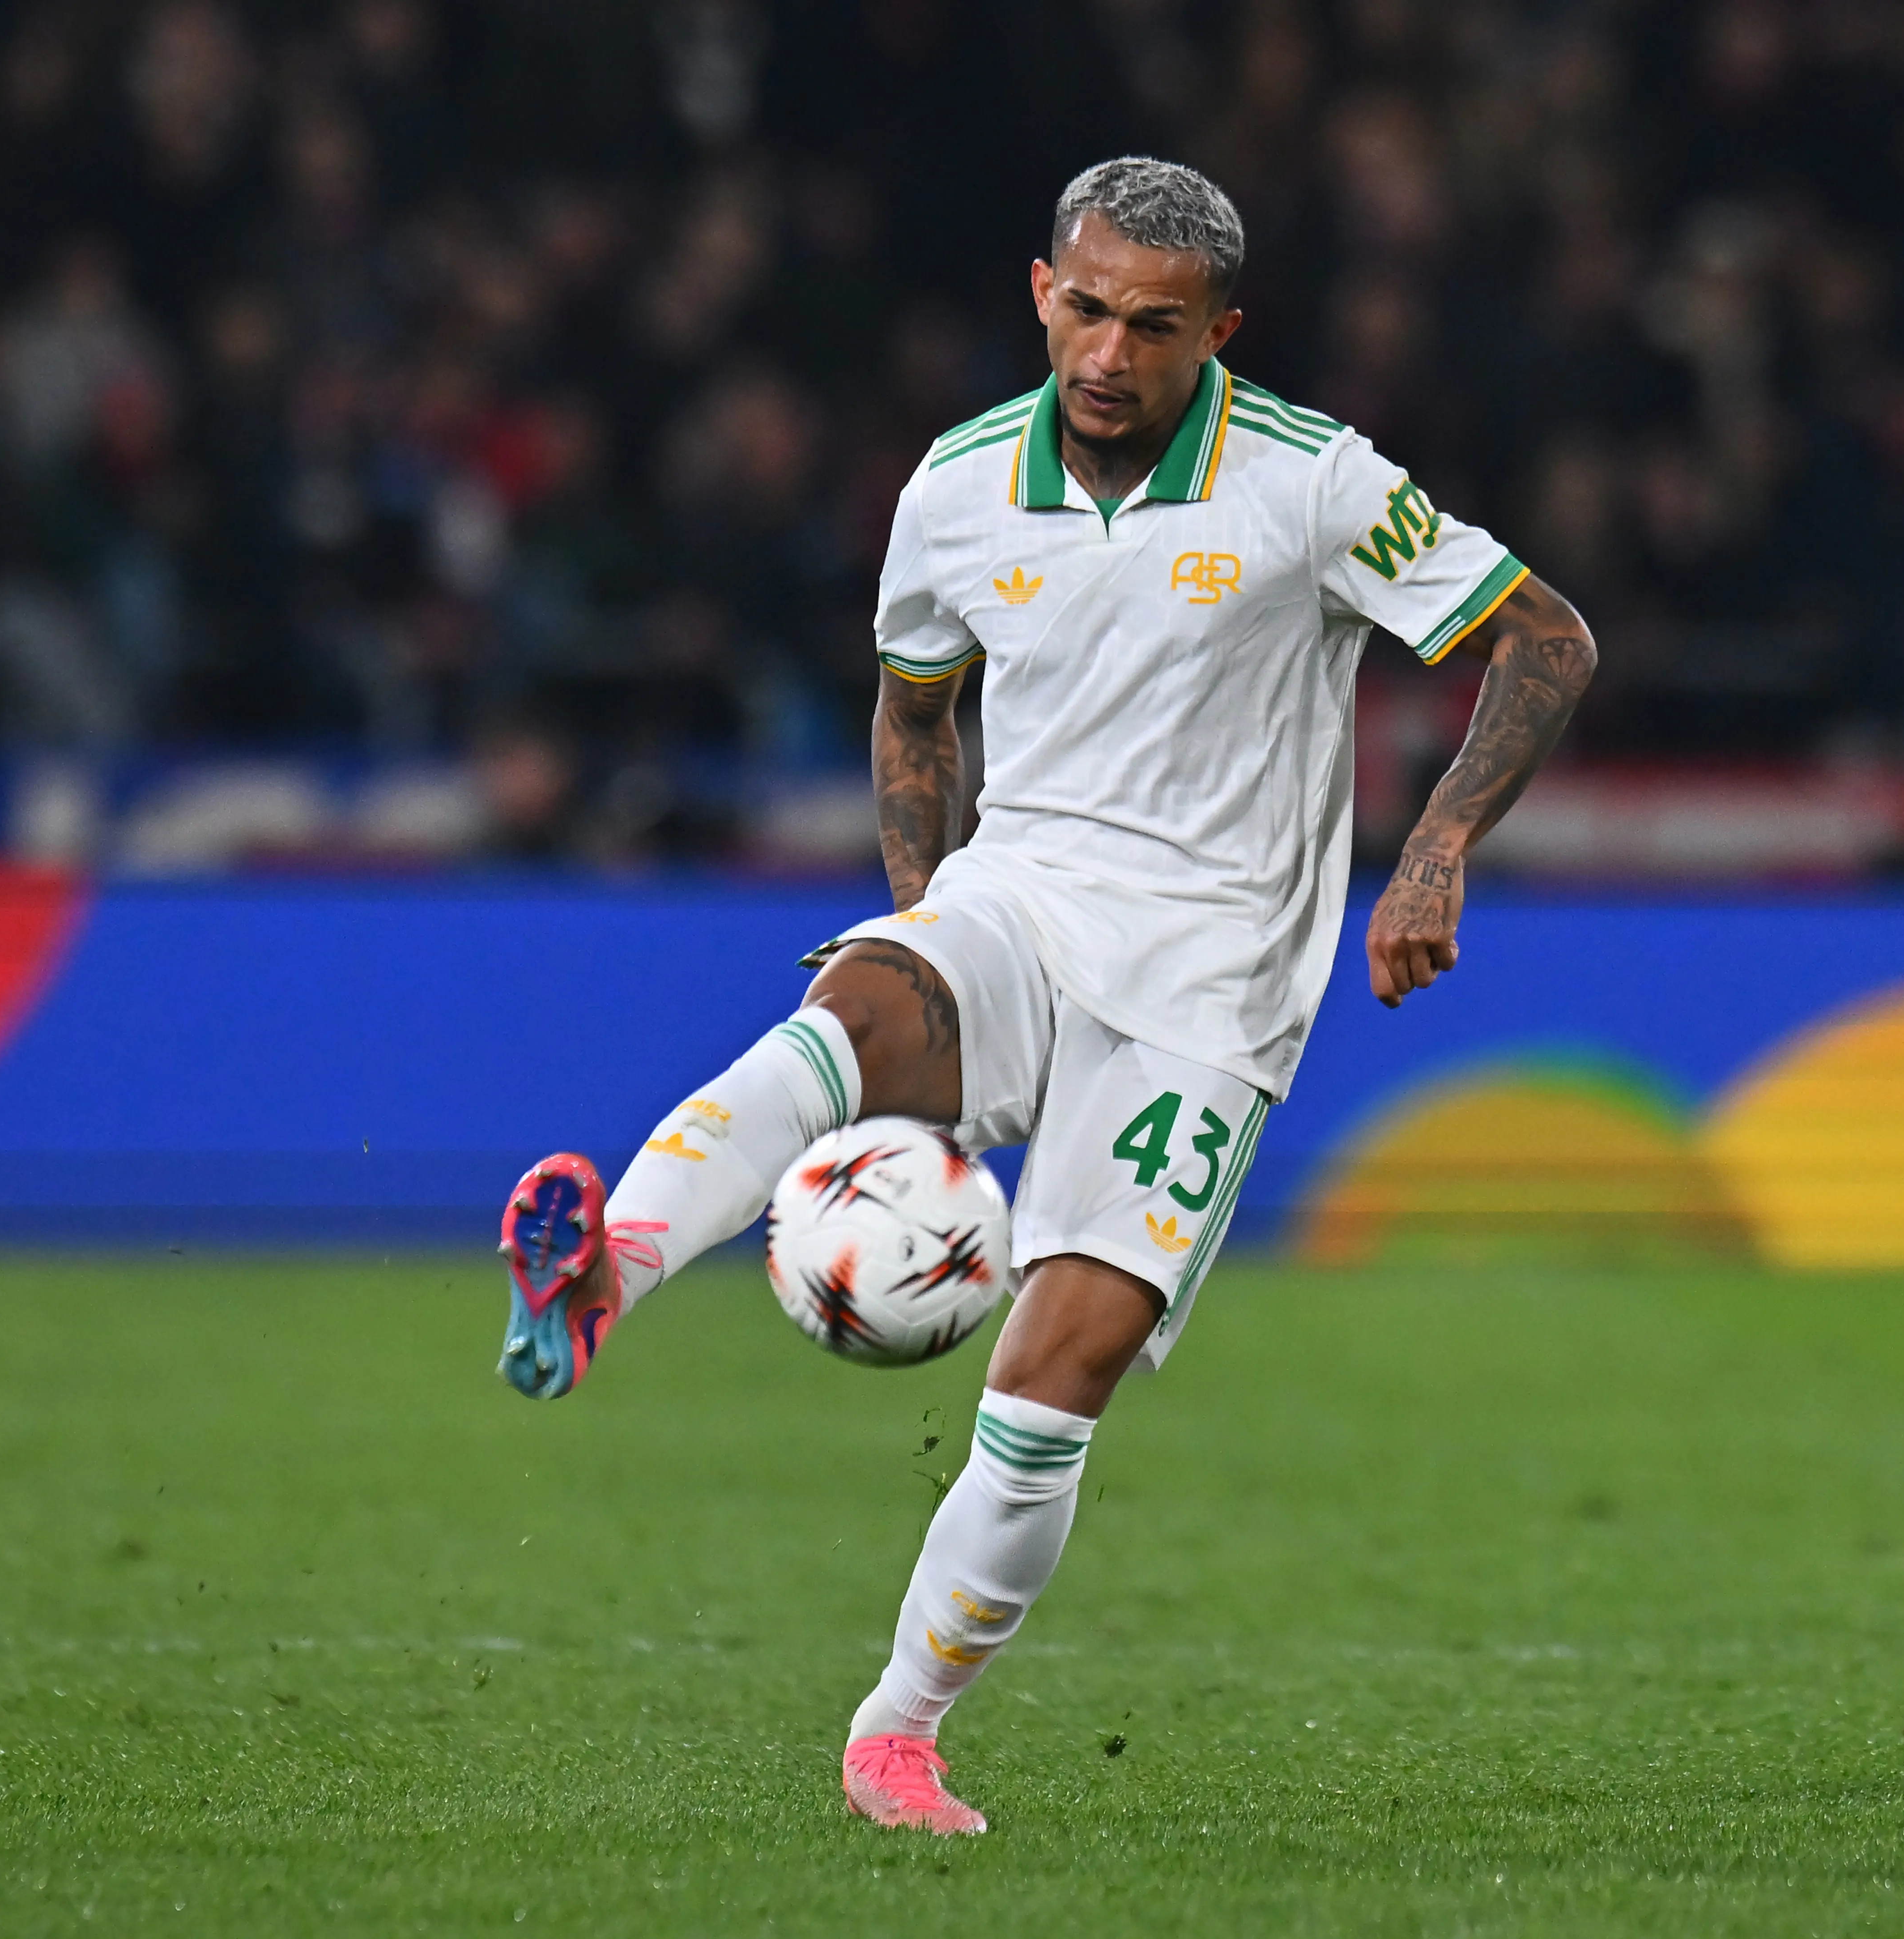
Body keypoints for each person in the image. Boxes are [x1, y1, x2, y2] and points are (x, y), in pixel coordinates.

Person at [487, 159, 1598, 1833]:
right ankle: (604, 1279)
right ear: (1039, 293)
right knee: (856, 1008)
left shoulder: (1311, 483)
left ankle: (895, 1731)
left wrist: (1435, 852)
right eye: (1085, 309)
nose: (1108, 352)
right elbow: (915, 710)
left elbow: (1548, 640)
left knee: (1051, 1371)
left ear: (1218, 331)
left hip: (1212, 982)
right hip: (1023, 895)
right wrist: (928, 919)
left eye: (1155, 326)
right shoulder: (950, 487)